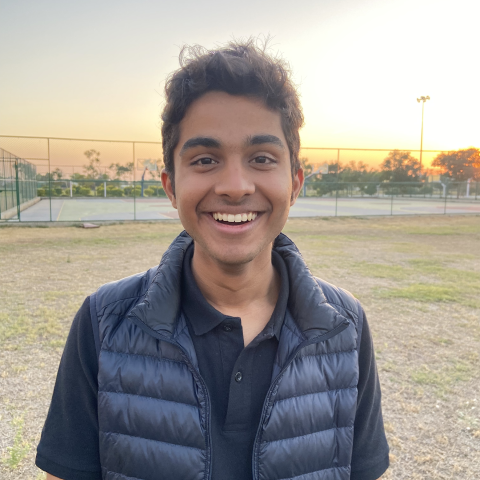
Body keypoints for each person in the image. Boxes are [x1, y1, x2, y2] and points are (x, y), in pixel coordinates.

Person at [36, 39, 389, 480]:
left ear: (295, 183)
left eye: (262, 158)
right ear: (170, 185)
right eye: (205, 159)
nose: (235, 185)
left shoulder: (346, 326)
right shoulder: (102, 322)